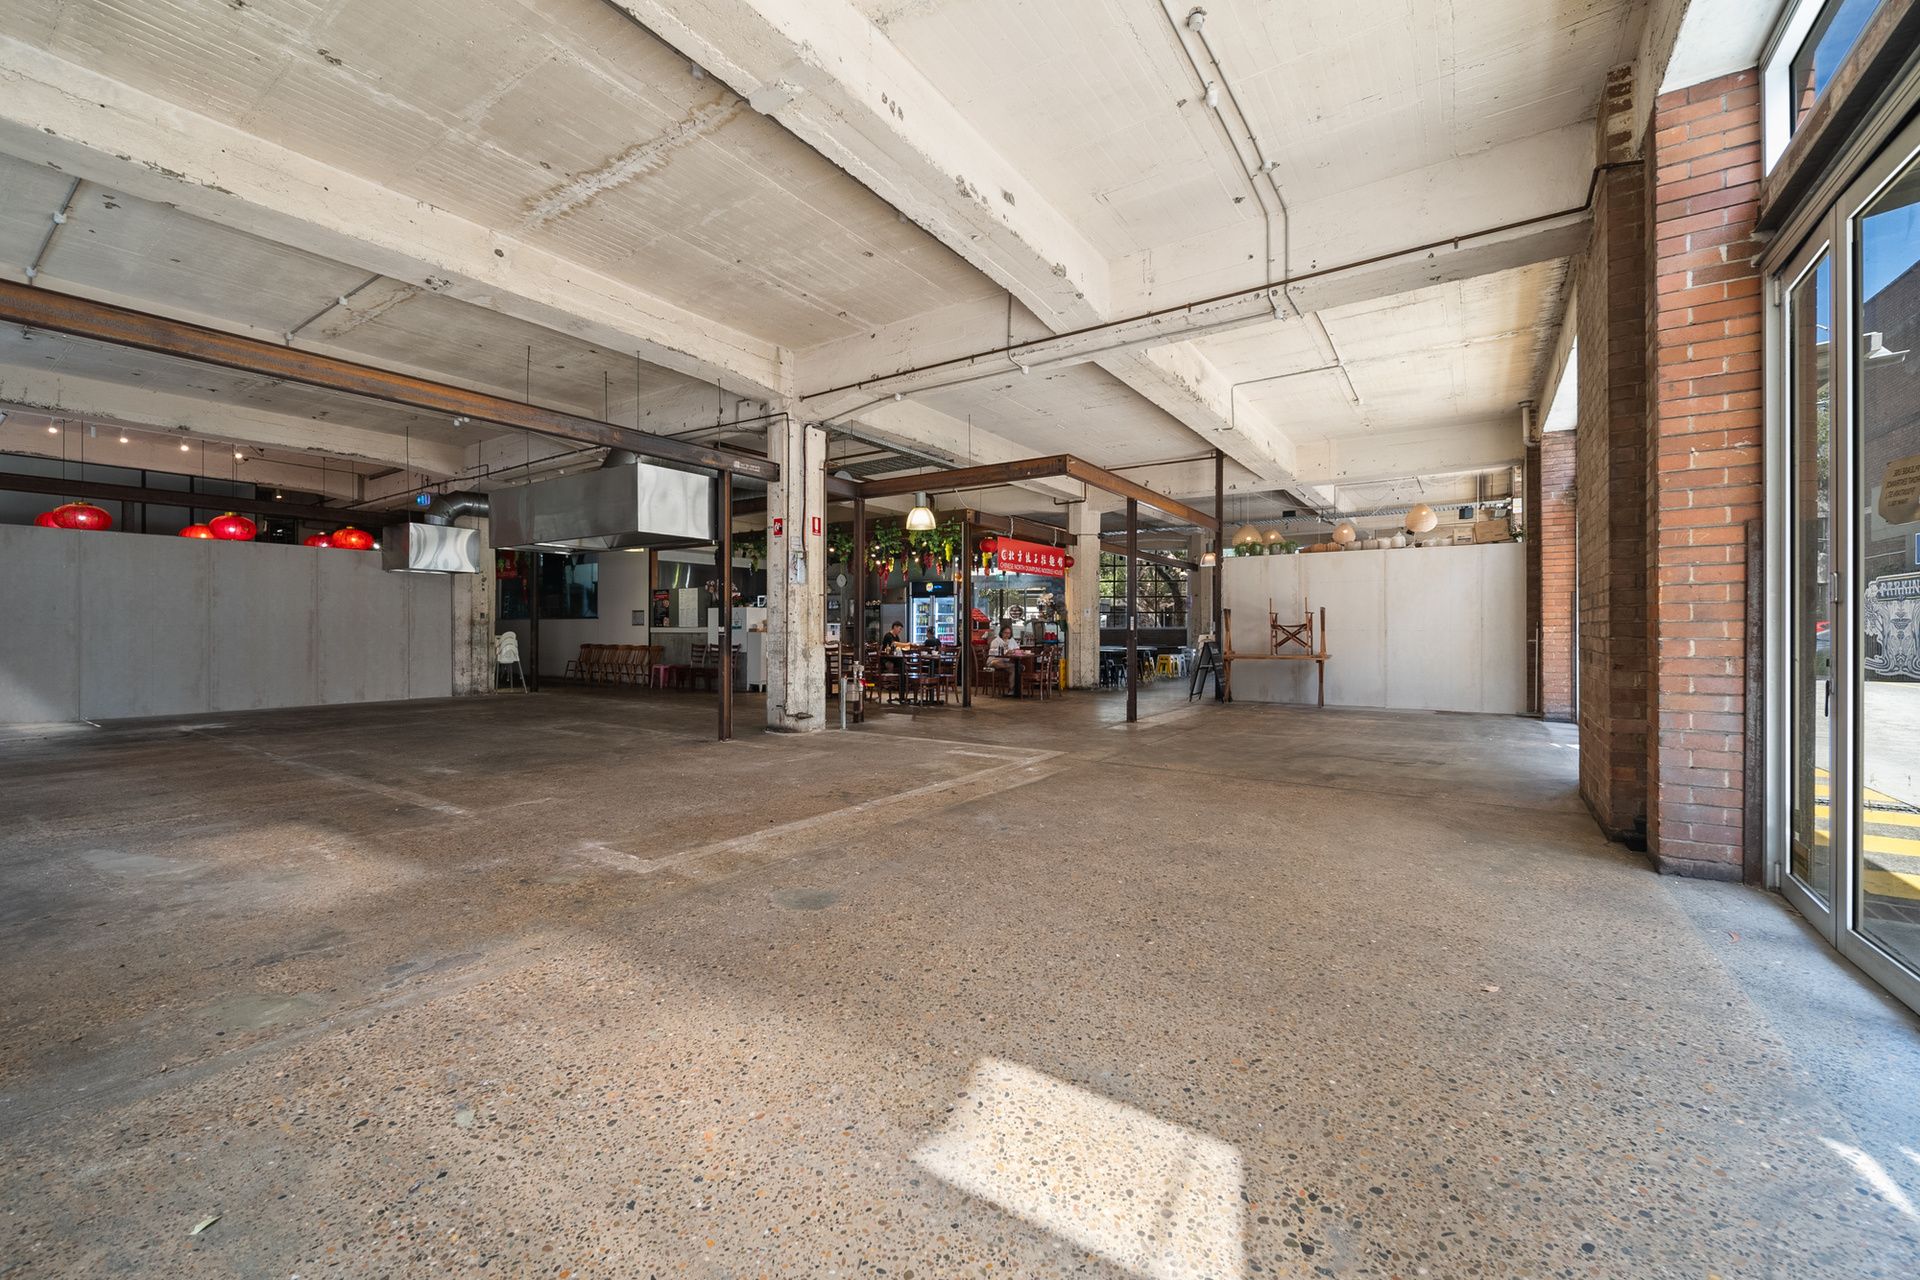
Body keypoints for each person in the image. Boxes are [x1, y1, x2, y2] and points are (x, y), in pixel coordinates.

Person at [987, 623, 1024, 697]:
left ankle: (1012, 690)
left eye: (1009, 633)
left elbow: (1017, 649)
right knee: (1016, 667)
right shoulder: (996, 641)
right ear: (1001, 633)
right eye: (1005, 633)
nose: (1007, 635)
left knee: (1014, 669)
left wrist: (1015, 651)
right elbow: (994, 652)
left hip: (1005, 662)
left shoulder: (1012, 640)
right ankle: (1013, 689)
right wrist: (1006, 652)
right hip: (994, 661)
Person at [879, 621, 910, 702]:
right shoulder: (888, 635)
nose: (900, 631)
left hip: (894, 658)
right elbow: (894, 644)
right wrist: (906, 644)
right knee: (900, 664)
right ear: (895, 627)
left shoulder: (897, 637)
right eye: (899, 629)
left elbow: (897, 648)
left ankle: (902, 685)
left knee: (904, 663)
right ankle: (898, 685)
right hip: (886, 658)